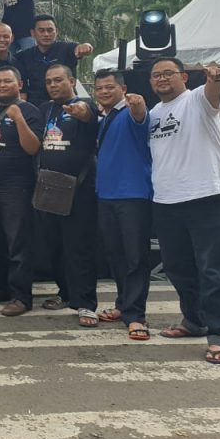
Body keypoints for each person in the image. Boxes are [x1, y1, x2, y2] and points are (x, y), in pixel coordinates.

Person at [148, 58, 220, 364]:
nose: (161, 79)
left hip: (207, 194)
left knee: (214, 269)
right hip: (166, 199)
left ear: (183, 77)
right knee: (177, 267)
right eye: (156, 75)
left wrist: (216, 77)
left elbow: (214, 91)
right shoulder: (153, 113)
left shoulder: (197, 99)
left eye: (168, 73)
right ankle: (194, 320)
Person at [35, 63, 100, 326]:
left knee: (78, 247)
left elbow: (87, 113)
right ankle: (65, 292)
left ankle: (86, 303)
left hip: (79, 188)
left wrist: (80, 111)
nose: (53, 85)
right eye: (49, 81)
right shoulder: (46, 108)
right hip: (49, 187)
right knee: (54, 245)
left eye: (58, 80)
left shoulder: (85, 104)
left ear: (71, 81)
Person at [0, 65, 43, 317]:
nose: (2, 85)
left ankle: (21, 297)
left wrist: (18, 118)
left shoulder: (30, 111)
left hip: (16, 186)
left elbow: (33, 148)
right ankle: (3, 287)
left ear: (20, 85)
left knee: (18, 243)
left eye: (7, 81)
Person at [93, 69, 153, 340]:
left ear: (123, 89)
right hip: (106, 195)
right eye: (99, 88)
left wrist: (138, 105)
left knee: (135, 256)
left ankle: (136, 315)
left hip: (133, 194)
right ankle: (122, 303)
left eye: (109, 87)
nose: (104, 92)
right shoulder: (105, 117)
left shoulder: (129, 112)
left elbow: (140, 115)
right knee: (115, 254)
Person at [20, 15, 94, 105]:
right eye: (41, 30)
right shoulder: (24, 56)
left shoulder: (66, 49)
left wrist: (86, 47)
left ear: (57, 31)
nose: (46, 34)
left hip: (67, 104)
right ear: (33, 33)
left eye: (50, 30)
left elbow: (80, 48)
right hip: (37, 106)